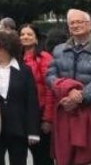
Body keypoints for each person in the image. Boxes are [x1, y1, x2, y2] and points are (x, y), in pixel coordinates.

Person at [46, 9, 91, 165]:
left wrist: (80, 97)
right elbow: (50, 76)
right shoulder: (58, 50)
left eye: (80, 22)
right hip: (66, 114)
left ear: (90, 25)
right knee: (66, 159)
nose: (75, 25)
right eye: (72, 23)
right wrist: (68, 90)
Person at [0, 30, 40, 165]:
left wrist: (33, 131)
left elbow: (31, 102)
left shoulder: (24, 71)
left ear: (8, 46)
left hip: (19, 129)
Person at [19, 24, 54, 165]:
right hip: (21, 113)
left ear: (37, 38)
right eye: (22, 34)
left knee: (42, 156)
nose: (25, 37)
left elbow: (50, 88)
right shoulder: (16, 56)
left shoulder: (44, 57)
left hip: (39, 112)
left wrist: (47, 118)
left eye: (29, 34)